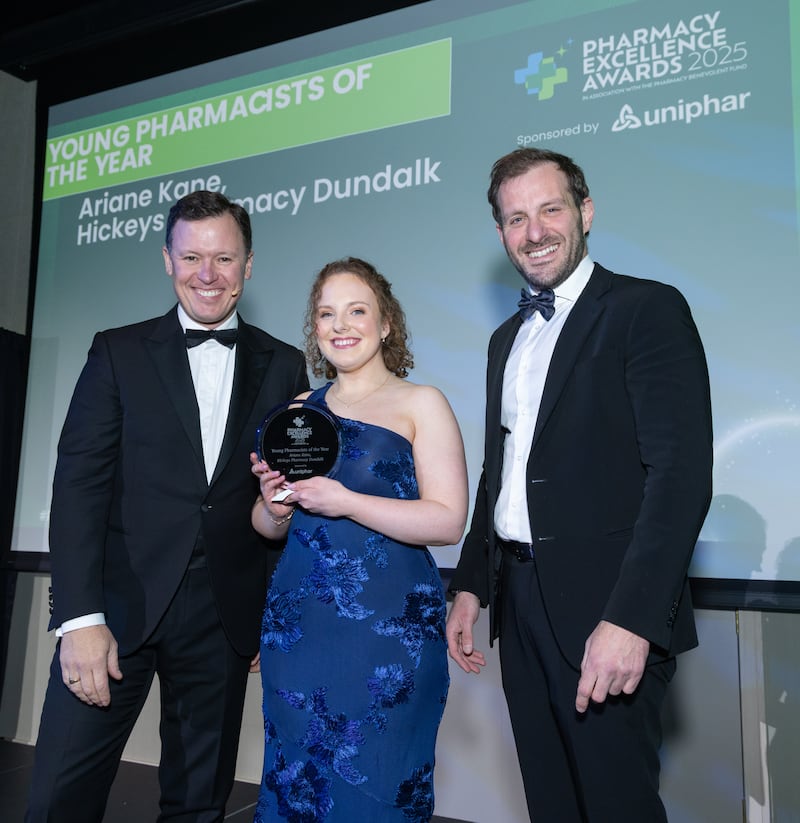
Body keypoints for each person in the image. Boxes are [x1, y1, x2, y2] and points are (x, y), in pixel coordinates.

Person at [445, 148, 713, 822]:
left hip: (608, 609)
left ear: (585, 211)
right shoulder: (505, 339)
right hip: (521, 606)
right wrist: (473, 583)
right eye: (515, 218)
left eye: (550, 209)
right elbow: (501, 473)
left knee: (615, 806)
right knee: (552, 805)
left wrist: (632, 620)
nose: (533, 231)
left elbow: (679, 478)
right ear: (501, 232)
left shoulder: (645, 310)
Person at [26, 190, 310, 823]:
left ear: (248, 265)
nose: (207, 275)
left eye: (224, 258)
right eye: (191, 257)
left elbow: (283, 498)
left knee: (199, 807)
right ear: (167, 260)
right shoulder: (117, 352)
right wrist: (78, 619)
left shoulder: (286, 366)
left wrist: (266, 611)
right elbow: (78, 489)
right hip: (114, 613)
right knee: (58, 800)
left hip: (222, 619)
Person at [250, 257, 468, 822]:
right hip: (300, 633)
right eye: (326, 313)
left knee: (380, 784)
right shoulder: (297, 414)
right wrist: (274, 502)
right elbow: (267, 524)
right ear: (315, 328)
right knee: (296, 785)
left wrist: (345, 501)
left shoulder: (422, 404)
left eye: (356, 310)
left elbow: (448, 521)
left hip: (389, 636)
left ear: (386, 323)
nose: (340, 325)